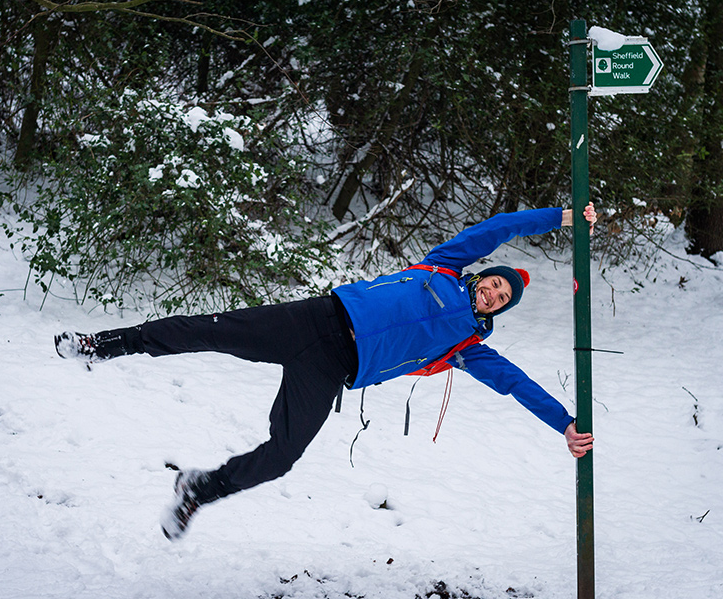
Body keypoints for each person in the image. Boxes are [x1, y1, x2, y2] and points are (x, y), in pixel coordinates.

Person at [55, 203, 597, 541]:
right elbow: (499, 227)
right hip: (316, 318)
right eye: (495, 282)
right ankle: (101, 344)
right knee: (207, 329)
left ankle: (200, 489)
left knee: (283, 456)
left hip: (334, 366)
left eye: (502, 297)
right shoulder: (444, 265)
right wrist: (561, 218)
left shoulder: (467, 346)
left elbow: (515, 384)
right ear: (484, 276)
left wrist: (565, 424)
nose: (494, 292)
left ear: (499, 310)